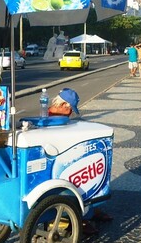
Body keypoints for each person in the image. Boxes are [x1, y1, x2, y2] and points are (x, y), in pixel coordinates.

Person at [46, 88, 111, 234]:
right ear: (63, 106)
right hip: (56, 167)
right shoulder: (53, 120)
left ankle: (91, 210)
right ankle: (84, 216)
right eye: (70, 110)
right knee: (83, 178)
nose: (70, 114)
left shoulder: (50, 114)